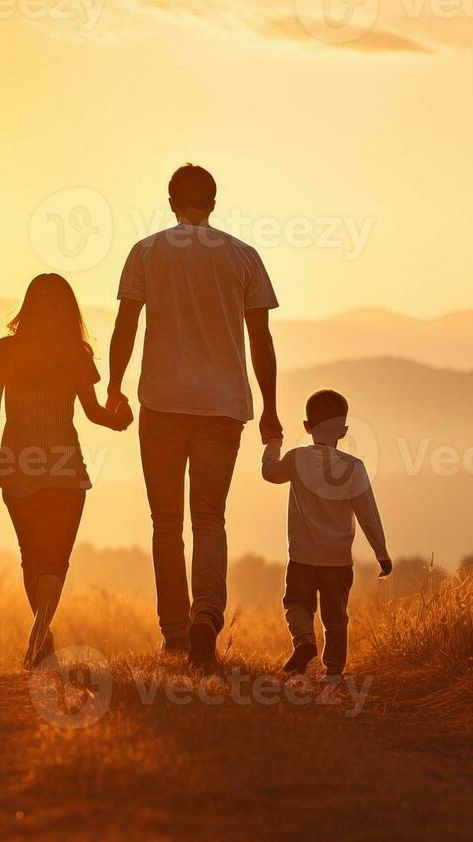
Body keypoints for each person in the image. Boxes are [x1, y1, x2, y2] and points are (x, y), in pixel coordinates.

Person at [106, 163, 283, 671]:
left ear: (169, 201)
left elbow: (125, 326)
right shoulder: (243, 256)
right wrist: (269, 407)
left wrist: (115, 388)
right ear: (213, 201)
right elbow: (261, 341)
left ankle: (176, 635)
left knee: (166, 523)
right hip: (222, 407)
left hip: (161, 403)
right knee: (209, 518)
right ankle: (207, 615)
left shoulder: (146, 251)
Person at [0, 273, 133, 667]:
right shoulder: (76, 354)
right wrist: (120, 420)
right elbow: (93, 414)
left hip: (17, 465)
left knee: (32, 558)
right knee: (55, 559)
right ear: (68, 311)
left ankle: (42, 637)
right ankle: (40, 635)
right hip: (64, 468)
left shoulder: (6, 350)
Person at [261, 389, 392, 677]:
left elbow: (270, 472)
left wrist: (273, 442)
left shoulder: (296, 459)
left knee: (297, 605)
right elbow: (369, 516)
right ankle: (334, 670)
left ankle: (304, 640)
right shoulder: (354, 468)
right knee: (336, 619)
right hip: (338, 562)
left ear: (307, 427)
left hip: (302, 558)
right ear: (343, 431)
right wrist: (381, 553)